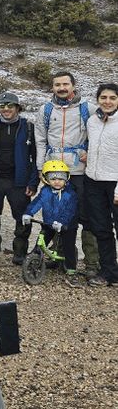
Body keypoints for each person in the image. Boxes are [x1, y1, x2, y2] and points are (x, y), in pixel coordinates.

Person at [34, 71, 99, 277]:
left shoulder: (87, 108)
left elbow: (102, 133)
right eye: (57, 85)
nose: (61, 88)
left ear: (73, 85)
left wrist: (91, 153)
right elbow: (40, 141)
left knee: (86, 217)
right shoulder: (45, 110)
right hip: (53, 172)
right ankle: (60, 255)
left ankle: (91, 264)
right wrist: (40, 167)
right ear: (52, 88)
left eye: (65, 84)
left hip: (80, 172)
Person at [0, 92, 38, 260]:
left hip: (20, 181)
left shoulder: (29, 128)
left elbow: (36, 158)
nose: (6, 109)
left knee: (23, 217)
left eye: (10, 105)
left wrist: (33, 182)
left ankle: (20, 251)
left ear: (17, 107)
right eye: (2, 106)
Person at [22, 161, 82, 288]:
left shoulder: (70, 194)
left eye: (61, 179)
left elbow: (70, 210)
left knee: (68, 246)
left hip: (67, 225)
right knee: (41, 240)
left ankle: (71, 273)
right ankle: (32, 262)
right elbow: (37, 203)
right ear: (46, 179)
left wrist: (61, 222)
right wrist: (28, 213)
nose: (57, 182)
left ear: (66, 179)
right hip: (49, 223)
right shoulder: (45, 191)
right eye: (53, 178)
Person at [82, 83, 118, 287]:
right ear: (98, 99)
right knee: (102, 230)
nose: (107, 102)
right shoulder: (92, 121)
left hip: (115, 182)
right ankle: (110, 273)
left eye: (112, 98)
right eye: (104, 97)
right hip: (93, 181)